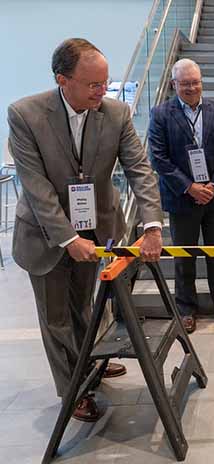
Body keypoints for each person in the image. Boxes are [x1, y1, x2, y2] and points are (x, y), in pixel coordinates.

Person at [7, 38, 164, 422]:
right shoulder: (25, 115)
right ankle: (73, 389)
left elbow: (139, 170)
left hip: (96, 230)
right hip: (45, 237)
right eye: (93, 84)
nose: (102, 91)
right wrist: (67, 238)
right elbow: (36, 185)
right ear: (64, 80)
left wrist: (153, 225)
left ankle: (87, 364)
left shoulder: (116, 114)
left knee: (83, 306)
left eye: (105, 83)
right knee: (56, 317)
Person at [148, 58, 214, 334]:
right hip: (181, 198)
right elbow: (159, 158)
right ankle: (186, 310)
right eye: (185, 83)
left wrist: (213, 186)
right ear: (173, 84)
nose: (192, 88)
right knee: (184, 257)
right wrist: (189, 187)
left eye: (196, 82)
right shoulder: (161, 114)